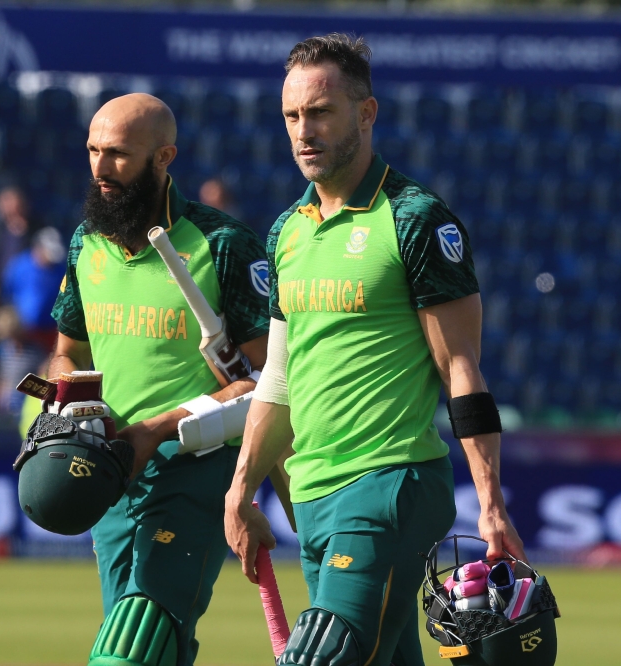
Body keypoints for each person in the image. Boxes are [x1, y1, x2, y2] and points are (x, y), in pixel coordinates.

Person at [223, 34, 523, 666]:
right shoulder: (286, 231)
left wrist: (491, 507)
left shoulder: (414, 218)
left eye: (321, 112)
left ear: (366, 113)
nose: (304, 131)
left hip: (390, 485)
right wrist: (243, 486)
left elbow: (460, 370)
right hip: (310, 500)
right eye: (292, 116)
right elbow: (278, 378)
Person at [48, 94, 269, 664]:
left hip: (195, 469)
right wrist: (73, 408)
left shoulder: (223, 245)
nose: (99, 168)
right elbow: (66, 353)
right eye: (93, 150)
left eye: (118, 154)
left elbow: (268, 383)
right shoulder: (85, 243)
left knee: (135, 637)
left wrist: (157, 429)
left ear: (164, 156)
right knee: (154, 643)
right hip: (111, 471)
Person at [0, 187, 36, 286]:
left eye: (8, 201)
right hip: (0, 287)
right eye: (2, 202)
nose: (4, 206)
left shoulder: (35, 230)